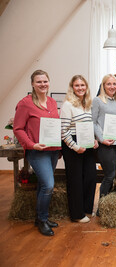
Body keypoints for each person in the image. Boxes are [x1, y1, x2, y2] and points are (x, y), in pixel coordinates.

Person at [13, 70, 61, 236]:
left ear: (49, 82)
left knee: (42, 184)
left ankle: (41, 218)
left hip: (53, 150)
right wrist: (31, 145)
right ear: (32, 84)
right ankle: (42, 220)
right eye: (39, 81)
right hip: (37, 151)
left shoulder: (52, 102)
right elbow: (17, 128)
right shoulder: (25, 103)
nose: (43, 84)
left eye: (45, 81)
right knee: (48, 185)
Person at [60, 75, 99, 223]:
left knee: (90, 176)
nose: (80, 88)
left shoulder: (87, 104)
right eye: (77, 85)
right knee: (75, 180)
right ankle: (77, 214)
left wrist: (93, 140)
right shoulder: (68, 105)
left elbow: (89, 126)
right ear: (72, 87)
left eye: (83, 85)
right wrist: (75, 147)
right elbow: (63, 130)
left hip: (87, 143)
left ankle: (87, 209)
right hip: (72, 145)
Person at [92, 74, 116, 199]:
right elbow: (93, 122)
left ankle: (109, 202)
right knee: (109, 175)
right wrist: (102, 139)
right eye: (109, 84)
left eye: (114, 84)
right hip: (105, 145)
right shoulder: (98, 100)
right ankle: (102, 205)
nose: (112, 87)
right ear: (103, 86)